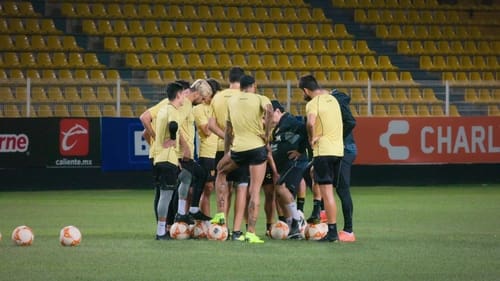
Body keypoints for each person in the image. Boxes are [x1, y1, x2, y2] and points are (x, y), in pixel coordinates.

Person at [213, 75, 273, 243]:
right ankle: (251, 233)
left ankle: (220, 213)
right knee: (254, 190)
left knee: (220, 170)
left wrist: (226, 152)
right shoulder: (261, 98)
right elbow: (269, 112)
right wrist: (267, 134)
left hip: (238, 149)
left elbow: (228, 130)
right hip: (257, 149)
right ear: (254, 85)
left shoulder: (232, 100)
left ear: (240, 87)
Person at [298, 74, 343, 242]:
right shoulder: (333, 100)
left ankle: (332, 233)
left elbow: (310, 123)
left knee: (327, 193)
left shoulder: (312, 103)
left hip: (323, 151)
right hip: (338, 151)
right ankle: (330, 227)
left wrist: (312, 137)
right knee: (330, 192)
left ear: (305, 90)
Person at [208, 67, 246, 225]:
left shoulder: (217, 97)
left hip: (220, 148)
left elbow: (211, 125)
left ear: (229, 79)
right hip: (242, 147)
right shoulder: (246, 97)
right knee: (241, 188)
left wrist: (226, 137)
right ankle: (237, 229)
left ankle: (222, 225)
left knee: (224, 184)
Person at [174, 79, 213, 223]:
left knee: (188, 179)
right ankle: (188, 210)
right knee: (199, 175)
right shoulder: (185, 105)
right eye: (202, 98)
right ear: (197, 94)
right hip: (182, 153)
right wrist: (184, 147)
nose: (202, 101)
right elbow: (175, 126)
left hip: (184, 152)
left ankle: (182, 213)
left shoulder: (187, 104)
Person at [269, 100, 309, 239]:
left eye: (269, 114)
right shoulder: (279, 125)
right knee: (280, 193)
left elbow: (305, 129)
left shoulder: (289, 121)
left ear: (278, 111)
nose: (268, 118)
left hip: (295, 162)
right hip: (286, 164)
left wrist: (300, 150)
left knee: (281, 187)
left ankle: (297, 219)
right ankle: (293, 226)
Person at [153, 82, 185, 240]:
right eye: (183, 94)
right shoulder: (173, 110)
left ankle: (161, 230)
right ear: (178, 95)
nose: (184, 97)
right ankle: (160, 232)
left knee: (162, 195)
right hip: (168, 158)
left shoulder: (162, 109)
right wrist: (173, 139)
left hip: (159, 157)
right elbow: (173, 125)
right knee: (166, 196)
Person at [331, 89, 357, 242]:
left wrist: (338, 138)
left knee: (342, 189)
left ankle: (349, 231)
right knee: (327, 184)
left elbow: (351, 122)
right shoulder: (338, 107)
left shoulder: (337, 106)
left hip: (344, 149)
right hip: (344, 148)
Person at [193, 78, 221, 217]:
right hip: (207, 153)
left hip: (221, 151)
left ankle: (222, 220)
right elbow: (207, 130)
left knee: (223, 188)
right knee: (208, 187)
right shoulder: (198, 109)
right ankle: (205, 220)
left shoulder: (218, 107)